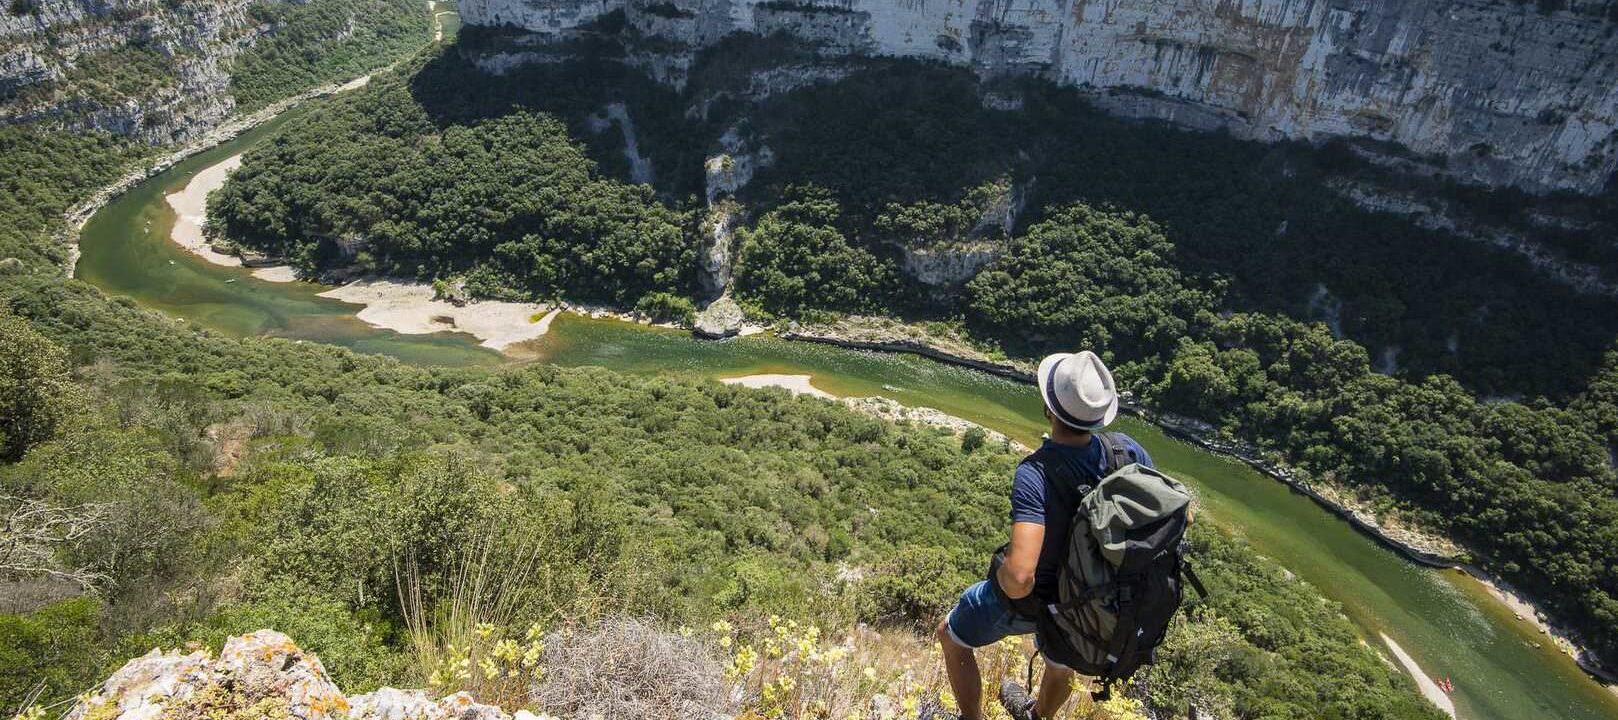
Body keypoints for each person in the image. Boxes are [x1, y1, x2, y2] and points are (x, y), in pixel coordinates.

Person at [926, 351, 1154, 720]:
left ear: (1048, 406)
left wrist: (1000, 570)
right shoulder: (1127, 450)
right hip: (1095, 599)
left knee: (950, 635)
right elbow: (1181, 515)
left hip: (1041, 599)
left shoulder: (1036, 473)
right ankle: (1037, 716)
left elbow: (1019, 579)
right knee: (1060, 657)